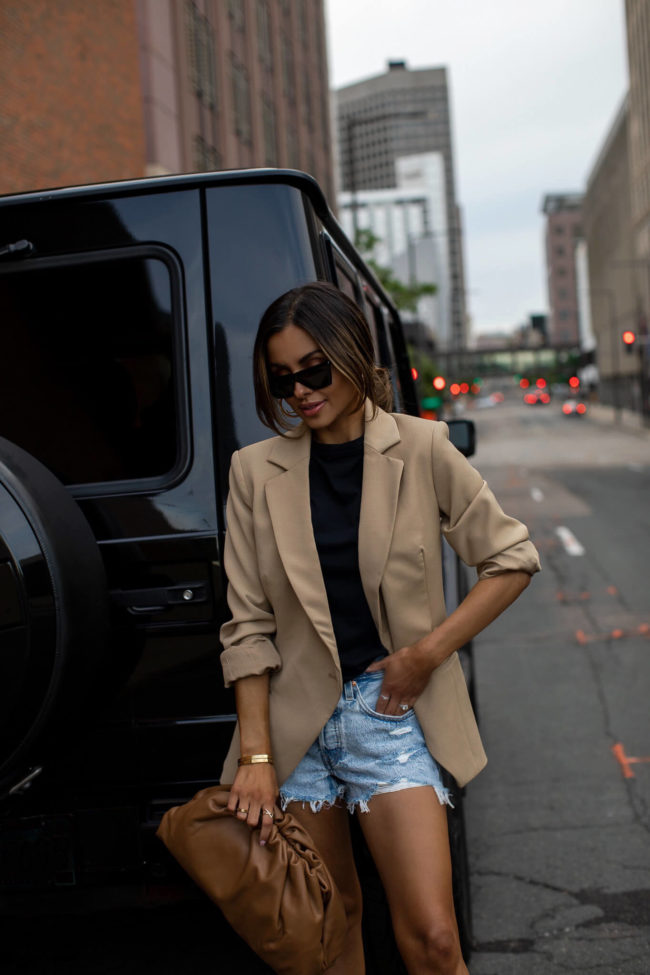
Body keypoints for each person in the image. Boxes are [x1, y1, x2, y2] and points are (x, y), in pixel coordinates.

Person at [219, 282, 540, 975]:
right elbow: (247, 625)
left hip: (388, 716)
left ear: (351, 354)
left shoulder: (422, 448)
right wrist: (255, 758)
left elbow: (512, 558)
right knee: (329, 941)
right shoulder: (253, 472)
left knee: (432, 939)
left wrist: (425, 654)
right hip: (292, 731)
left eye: (314, 369)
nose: (301, 390)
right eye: (282, 379)